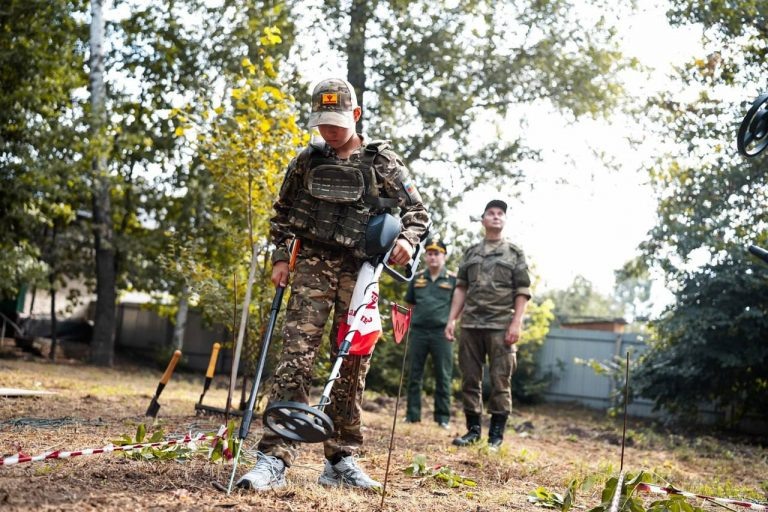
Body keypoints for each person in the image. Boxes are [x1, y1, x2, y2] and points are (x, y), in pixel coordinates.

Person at [236, 77, 430, 491]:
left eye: (337, 124)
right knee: (295, 360)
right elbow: (283, 215)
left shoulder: (382, 163)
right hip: (309, 268)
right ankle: (274, 457)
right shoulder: (307, 160)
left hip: (359, 272)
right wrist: (279, 256)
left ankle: (340, 459)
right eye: (322, 124)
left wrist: (407, 243)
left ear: (356, 116)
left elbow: (418, 214)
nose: (328, 132)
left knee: (352, 364)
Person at [444, 199, 531, 450]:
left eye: (500, 213)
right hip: (471, 324)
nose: (495, 216)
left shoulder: (514, 253)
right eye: (491, 213)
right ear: (483, 220)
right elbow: (461, 288)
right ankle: (472, 431)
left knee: (500, 379)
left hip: (500, 325)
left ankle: (495, 436)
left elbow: (522, 291)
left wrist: (516, 323)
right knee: (470, 378)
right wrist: (452, 320)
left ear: (504, 220)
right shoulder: (471, 252)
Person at [404, 236, 456, 429]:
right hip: (418, 331)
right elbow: (409, 303)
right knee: (414, 374)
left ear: (444, 256)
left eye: (437, 253)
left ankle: (442, 418)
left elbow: (458, 306)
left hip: (441, 334)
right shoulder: (417, 278)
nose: (433, 257)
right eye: (429, 253)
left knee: (443, 376)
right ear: (425, 256)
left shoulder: (452, 280)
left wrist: (453, 324)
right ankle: (412, 415)